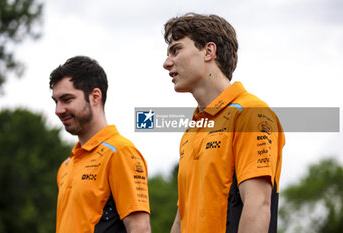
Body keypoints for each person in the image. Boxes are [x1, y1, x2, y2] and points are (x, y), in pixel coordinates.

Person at [162, 13, 285, 233]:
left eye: (176, 50)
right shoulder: (193, 129)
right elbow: (182, 218)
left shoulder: (251, 114)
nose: (166, 63)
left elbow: (257, 206)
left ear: (209, 51)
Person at [49, 56, 151, 233]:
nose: (58, 110)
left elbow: (139, 228)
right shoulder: (66, 165)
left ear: (95, 97)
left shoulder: (120, 152)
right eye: (56, 101)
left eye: (67, 99)